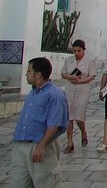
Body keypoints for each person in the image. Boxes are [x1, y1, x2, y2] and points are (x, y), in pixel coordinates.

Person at [11, 57, 68, 187]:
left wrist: (41, 145)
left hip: (40, 146)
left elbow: (55, 123)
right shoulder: (33, 92)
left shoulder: (55, 94)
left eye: (29, 71)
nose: (26, 74)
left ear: (38, 74)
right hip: (21, 146)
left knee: (46, 182)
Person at [61, 39, 96, 153]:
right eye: (74, 51)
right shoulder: (68, 60)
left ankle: (83, 132)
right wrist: (71, 78)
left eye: (79, 51)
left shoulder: (89, 61)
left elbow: (92, 76)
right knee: (69, 117)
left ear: (83, 50)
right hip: (70, 89)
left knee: (79, 117)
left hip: (83, 90)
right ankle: (70, 143)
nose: (76, 53)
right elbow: (63, 73)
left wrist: (80, 81)